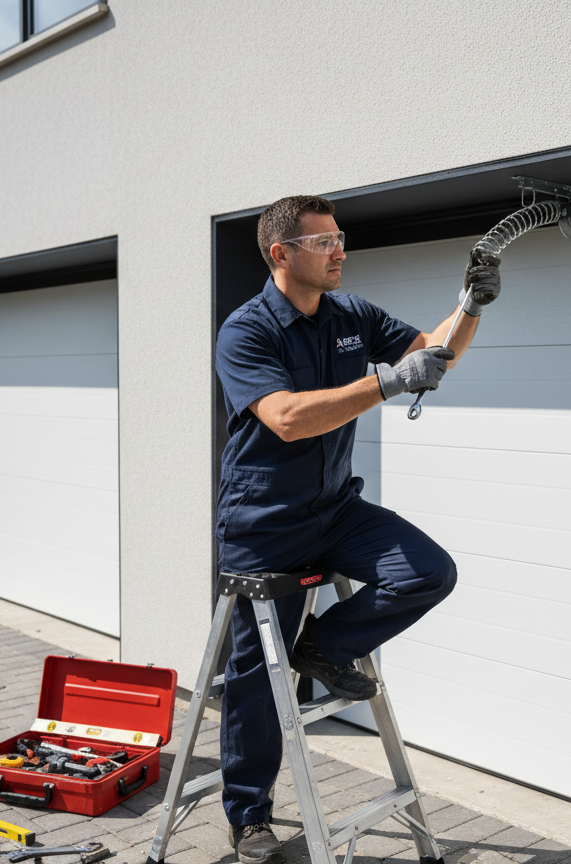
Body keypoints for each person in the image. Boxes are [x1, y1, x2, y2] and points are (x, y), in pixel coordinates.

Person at [213, 195, 501, 864]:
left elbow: (431, 356)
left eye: (340, 238)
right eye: (323, 242)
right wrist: (387, 382)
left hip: (335, 509)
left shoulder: (351, 313)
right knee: (257, 676)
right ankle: (249, 814)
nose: (339, 250)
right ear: (281, 254)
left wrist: (471, 308)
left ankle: (324, 646)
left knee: (428, 571)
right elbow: (285, 416)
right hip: (264, 522)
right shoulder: (246, 330)